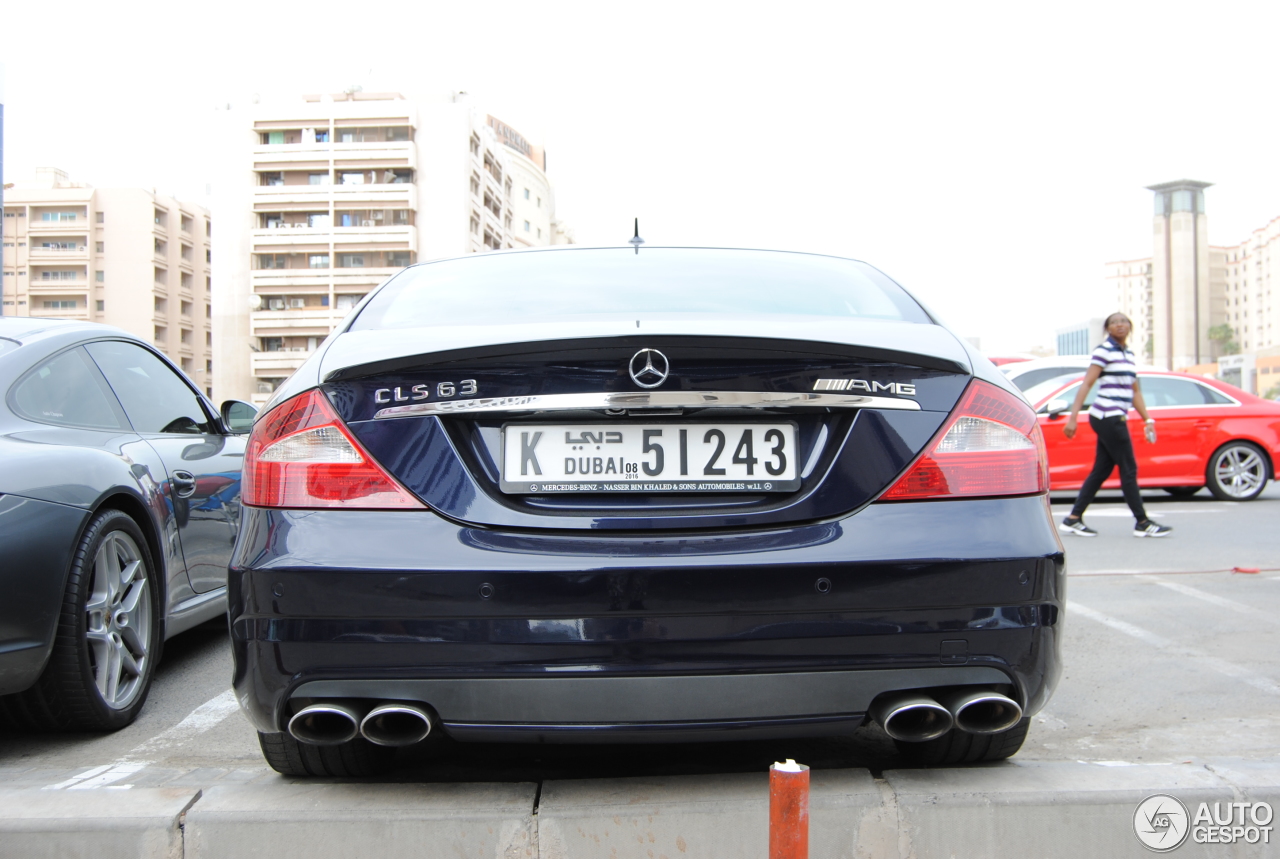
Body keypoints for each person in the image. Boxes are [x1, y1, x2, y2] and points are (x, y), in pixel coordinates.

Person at [1059, 312, 1172, 538]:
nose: (1119, 325)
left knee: (1101, 470)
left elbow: (1135, 391)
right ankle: (1142, 522)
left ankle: (1073, 518)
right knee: (1129, 469)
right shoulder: (1103, 352)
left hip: (1114, 416)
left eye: (1123, 321)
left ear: (1130, 326)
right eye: (1114, 322)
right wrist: (1073, 417)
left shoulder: (1128, 355)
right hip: (1107, 416)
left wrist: (1147, 419)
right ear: (1108, 329)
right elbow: (1087, 383)